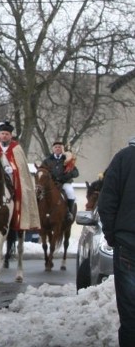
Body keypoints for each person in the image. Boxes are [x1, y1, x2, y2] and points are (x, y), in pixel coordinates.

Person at [97, 136, 135, 347]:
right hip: (128, 240)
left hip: (128, 242)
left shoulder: (123, 158)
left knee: (130, 313)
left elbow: (107, 201)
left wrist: (113, 236)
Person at [0, 122, 41, 232]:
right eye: (2, 133)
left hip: (13, 177)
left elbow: (22, 167)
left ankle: (20, 219)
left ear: (10, 135)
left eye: (7, 134)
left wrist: (12, 169)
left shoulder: (16, 148)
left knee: (23, 192)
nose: (4, 136)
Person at [41, 140, 80, 222]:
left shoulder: (68, 159)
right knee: (39, 193)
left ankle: (69, 212)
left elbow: (76, 173)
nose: (57, 148)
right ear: (53, 149)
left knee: (70, 192)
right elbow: (42, 170)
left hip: (64, 183)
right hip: (51, 183)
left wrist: (66, 177)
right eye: (56, 147)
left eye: (59, 147)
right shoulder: (47, 160)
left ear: (62, 149)